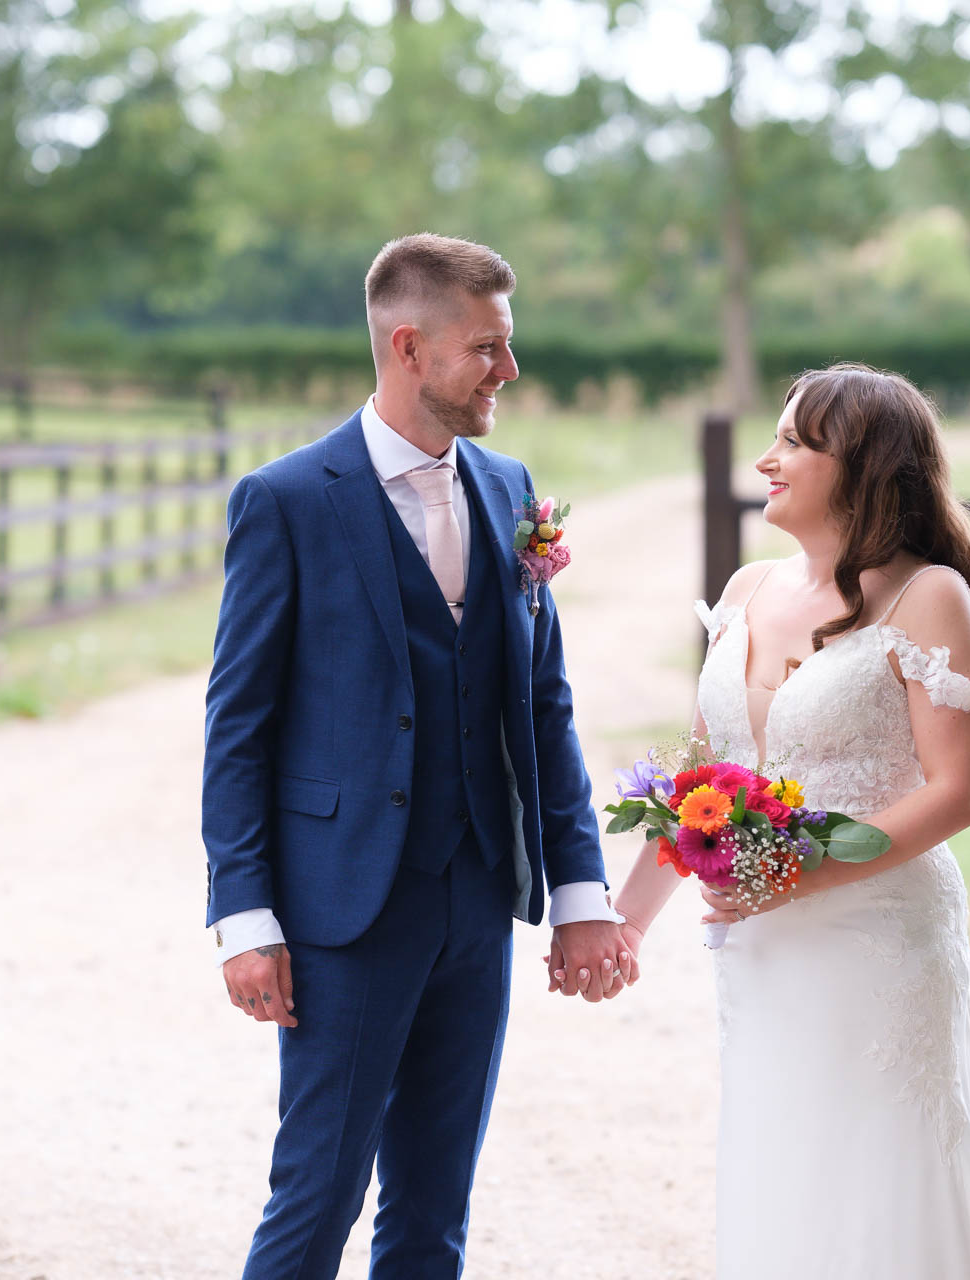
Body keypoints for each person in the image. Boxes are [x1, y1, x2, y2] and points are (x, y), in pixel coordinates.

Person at [564, 364, 970, 1278]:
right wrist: (626, 922)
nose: (768, 459)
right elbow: (702, 779)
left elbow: (958, 791)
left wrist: (801, 877)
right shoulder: (749, 588)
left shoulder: (928, 597)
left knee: (880, 1165)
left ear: (863, 464)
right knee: (785, 1158)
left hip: (877, 936)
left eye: (794, 441)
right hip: (761, 947)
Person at [202, 232, 635, 1279]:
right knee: (319, 1190)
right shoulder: (288, 500)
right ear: (408, 346)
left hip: (476, 901)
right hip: (343, 912)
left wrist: (580, 888)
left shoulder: (509, 485)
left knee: (436, 1205)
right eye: (486, 348)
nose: (509, 371)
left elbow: (543, 702)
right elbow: (238, 725)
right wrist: (245, 915)